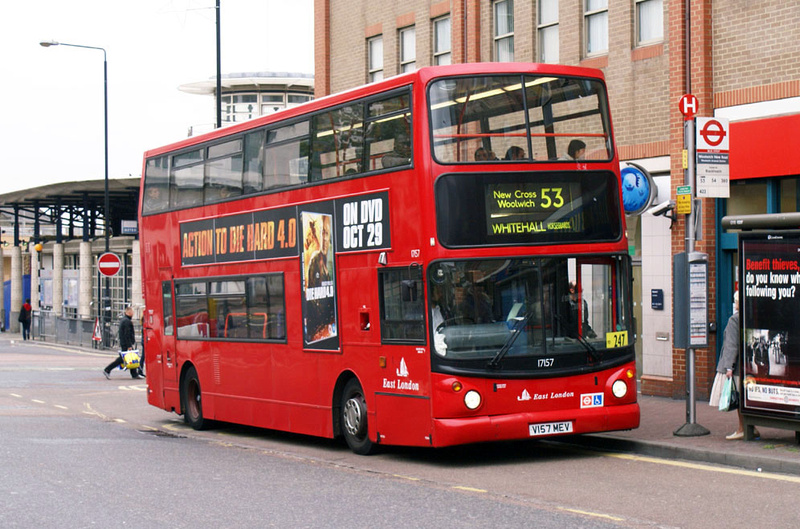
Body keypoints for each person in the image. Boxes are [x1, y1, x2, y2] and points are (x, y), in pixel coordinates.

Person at [708, 291, 756, 440]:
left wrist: (729, 367)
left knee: (738, 399)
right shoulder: (750, 318)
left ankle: (743, 429)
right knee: (745, 400)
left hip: (735, 369)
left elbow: (731, 345)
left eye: (735, 301)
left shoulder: (734, 320)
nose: (734, 303)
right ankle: (751, 428)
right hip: (748, 366)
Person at [103, 307, 143, 379]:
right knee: (123, 358)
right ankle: (107, 369)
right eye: (132, 312)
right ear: (128, 312)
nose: (133, 313)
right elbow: (126, 334)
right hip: (126, 344)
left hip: (124, 343)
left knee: (130, 357)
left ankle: (134, 374)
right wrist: (129, 345)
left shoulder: (124, 320)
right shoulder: (127, 321)